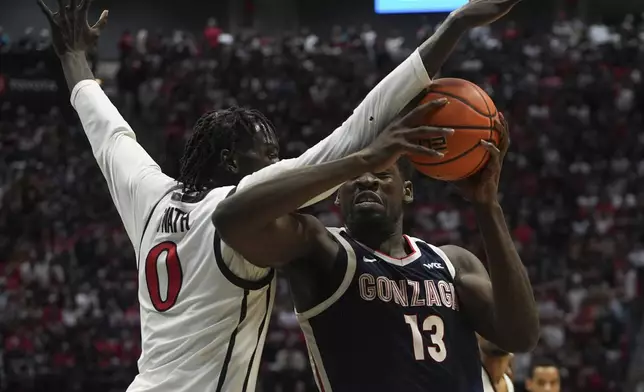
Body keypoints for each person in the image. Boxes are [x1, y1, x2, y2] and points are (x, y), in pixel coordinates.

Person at [38, 0, 523, 390]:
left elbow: (110, 137)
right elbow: (355, 132)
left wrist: (73, 58)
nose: (276, 166)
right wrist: (452, 28)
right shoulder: (244, 200)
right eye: (268, 156)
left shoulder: (151, 197)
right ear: (234, 164)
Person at [213, 109, 540, 390]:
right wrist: (359, 159)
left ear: (407, 191)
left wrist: (487, 207)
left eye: (382, 173)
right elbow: (231, 221)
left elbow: (521, 335)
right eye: (355, 174)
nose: (367, 180)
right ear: (336, 194)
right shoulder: (320, 251)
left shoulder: (453, 262)